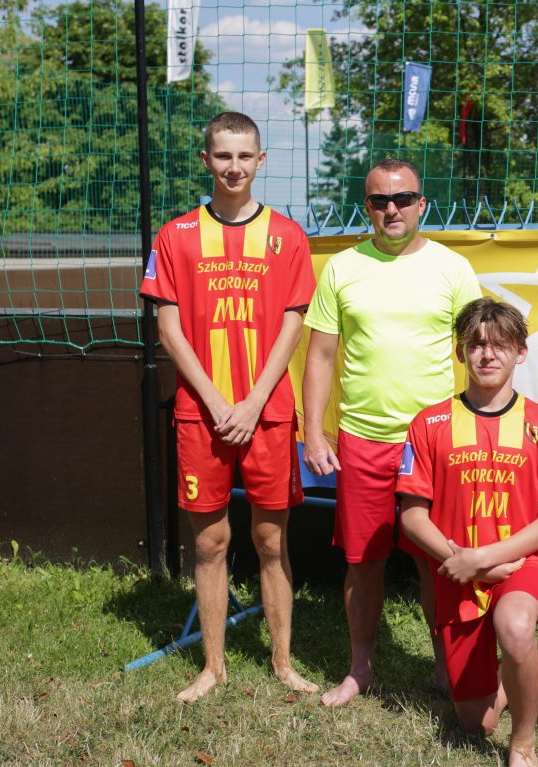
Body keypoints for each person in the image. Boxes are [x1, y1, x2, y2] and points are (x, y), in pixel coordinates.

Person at [139, 112, 318, 702]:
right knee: (209, 543)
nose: (233, 167)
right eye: (223, 155)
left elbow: (293, 324)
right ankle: (213, 667)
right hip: (203, 413)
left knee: (271, 541)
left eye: (244, 156)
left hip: (266, 412)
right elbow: (169, 329)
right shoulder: (176, 236)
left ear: (261, 161)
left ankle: (283, 662)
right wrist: (218, 401)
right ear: (206, 160)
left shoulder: (287, 236)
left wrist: (254, 399)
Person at [302, 158, 481, 707]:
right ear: (367, 208)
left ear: (422, 203)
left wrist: (477, 428)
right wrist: (314, 432)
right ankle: (360, 668)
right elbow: (320, 356)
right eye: (380, 200)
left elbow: (481, 352)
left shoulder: (453, 269)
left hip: (434, 444)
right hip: (362, 439)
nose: (392, 209)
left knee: (440, 561)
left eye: (403, 198)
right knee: (363, 561)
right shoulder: (342, 268)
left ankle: (448, 667)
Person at [398, 298, 538, 767]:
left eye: (500, 345)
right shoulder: (430, 424)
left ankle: (524, 747)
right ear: (461, 352)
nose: (487, 354)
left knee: (515, 626)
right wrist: (464, 562)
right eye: (476, 345)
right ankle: (511, 677)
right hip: (458, 571)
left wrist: (485, 559)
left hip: (520, 565)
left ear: (521, 352)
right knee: (474, 723)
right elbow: (411, 516)